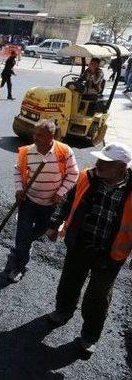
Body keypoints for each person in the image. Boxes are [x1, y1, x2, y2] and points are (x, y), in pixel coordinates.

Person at [44, 142, 132, 355]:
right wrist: (54, 224)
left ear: (122, 167)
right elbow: (67, 201)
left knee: (98, 296)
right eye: (99, 159)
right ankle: (63, 311)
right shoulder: (88, 176)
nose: (99, 164)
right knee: (69, 282)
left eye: (106, 162)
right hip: (80, 243)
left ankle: (90, 335)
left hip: (110, 254)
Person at [7, 120, 78, 283]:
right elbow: (18, 171)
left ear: (51, 136)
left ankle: (24, 245)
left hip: (51, 204)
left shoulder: (64, 151)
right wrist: (19, 189)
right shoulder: (27, 152)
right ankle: (20, 265)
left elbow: (73, 174)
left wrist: (60, 192)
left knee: (41, 230)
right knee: (22, 233)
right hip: (29, 200)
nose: (35, 137)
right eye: (34, 133)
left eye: (40, 135)